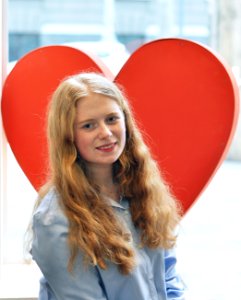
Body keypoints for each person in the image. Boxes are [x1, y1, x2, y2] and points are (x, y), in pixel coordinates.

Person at [31, 72, 185, 300]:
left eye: (112, 119)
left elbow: (169, 280)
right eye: (88, 125)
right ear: (68, 136)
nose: (105, 133)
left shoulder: (144, 190)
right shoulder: (55, 220)